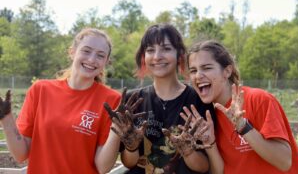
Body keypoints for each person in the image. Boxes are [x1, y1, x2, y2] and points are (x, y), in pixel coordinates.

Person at [0, 28, 130, 174]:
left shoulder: (111, 100)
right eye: (86, 51)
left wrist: (117, 131)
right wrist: (6, 118)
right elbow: (20, 154)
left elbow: (102, 167)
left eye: (100, 55)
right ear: (72, 52)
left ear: (106, 61)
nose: (92, 59)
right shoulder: (41, 90)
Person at [183, 40, 298, 174]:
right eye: (193, 70)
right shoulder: (208, 116)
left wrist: (243, 127)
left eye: (207, 68)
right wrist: (211, 144)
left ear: (227, 71)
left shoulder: (258, 99)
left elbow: (285, 162)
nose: (198, 75)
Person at [119, 23, 216, 174]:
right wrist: (131, 146)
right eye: (151, 50)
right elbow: (128, 163)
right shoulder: (133, 100)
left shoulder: (199, 100)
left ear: (180, 55)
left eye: (166, 48)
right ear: (144, 57)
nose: (157, 57)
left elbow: (204, 167)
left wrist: (188, 151)